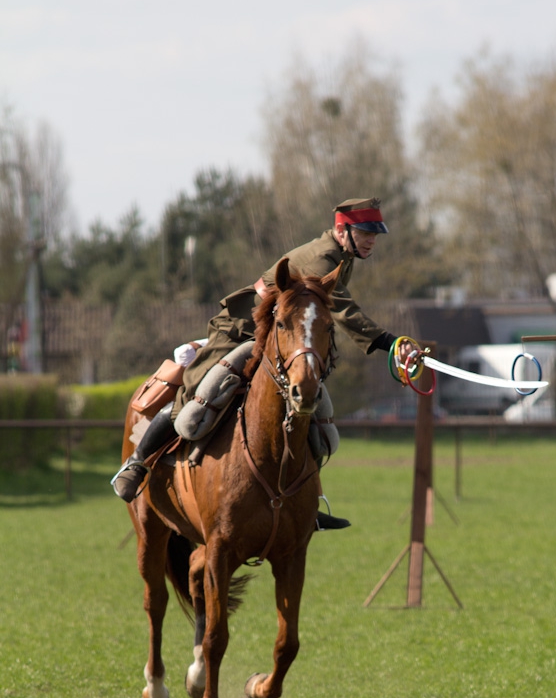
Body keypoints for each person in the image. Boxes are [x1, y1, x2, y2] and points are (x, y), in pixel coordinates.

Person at [112, 197, 409, 526]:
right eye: (365, 233)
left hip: (276, 337)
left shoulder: (343, 255)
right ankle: (137, 464)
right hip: (241, 329)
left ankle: (303, 501)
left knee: (305, 399)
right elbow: (345, 312)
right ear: (342, 231)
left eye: (374, 235)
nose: (371, 241)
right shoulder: (324, 258)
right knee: (195, 388)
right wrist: (390, 343)